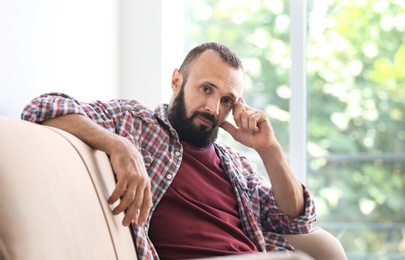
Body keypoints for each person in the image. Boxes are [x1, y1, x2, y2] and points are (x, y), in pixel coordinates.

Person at [21, 42, 316, 259]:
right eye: (206, 89)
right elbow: (42, 107)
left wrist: (270, 150)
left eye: (227, 100)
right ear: (177, 81)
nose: (213, 108)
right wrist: (117, 144)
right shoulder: (135, 124)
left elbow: (296, 220)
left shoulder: (237, 166)